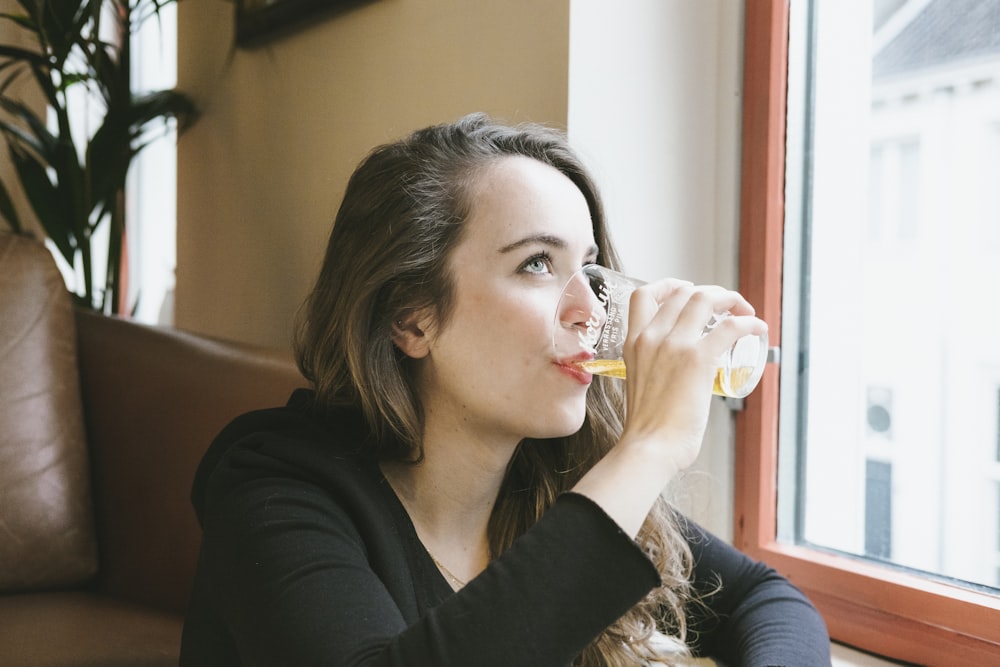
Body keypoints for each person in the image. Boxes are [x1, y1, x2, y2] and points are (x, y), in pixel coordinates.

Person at [179, 113, 831, 666]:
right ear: (412, 317)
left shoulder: (547, 477)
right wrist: (650, 445)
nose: (592, 311)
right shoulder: (270, 488)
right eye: (538, 263)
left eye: (591, 269)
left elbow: (765, 599)